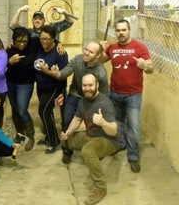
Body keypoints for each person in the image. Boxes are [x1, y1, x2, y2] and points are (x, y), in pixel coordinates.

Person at [60, 73, 125, 205]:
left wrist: (103, 123)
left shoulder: (104, 104)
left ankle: (100, 188)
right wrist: (68, 132)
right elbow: (77, 119)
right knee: (65, 139)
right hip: (91, 136)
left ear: (97, 85)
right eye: (85, 85)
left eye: (90, 85)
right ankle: (96, 154)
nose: (87, 88)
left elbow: (114, 130)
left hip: (109, 140)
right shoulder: (83, 101)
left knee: (88, 151)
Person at [100, 19, 154, 173]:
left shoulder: (140, 47)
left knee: (134, 127)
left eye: (123, 30)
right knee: (118, 123)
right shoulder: (113, 47)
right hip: (115, 93)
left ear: (129, 30)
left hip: (133, 95)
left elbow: (151, 68)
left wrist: (144, 66)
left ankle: (134, 156)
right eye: (118, 30)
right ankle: (120, 144)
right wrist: (100, 50)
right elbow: (100, 61)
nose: (120, 33)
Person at [51, 41, 110, 163]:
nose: (86, 53)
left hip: (92, 99)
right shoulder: (78, 60)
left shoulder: (101, 72)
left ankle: (96, 149)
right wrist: (57, 73)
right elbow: (64, 73)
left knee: (95, 125)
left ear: (98, 56)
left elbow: (105, 95)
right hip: (75, 94)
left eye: (90, 51)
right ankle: (67, 149)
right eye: (86, 49)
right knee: (67, 121)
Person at [35, 25, 68, 154]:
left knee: (43, 111)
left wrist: (46, 71)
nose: (44, 41)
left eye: (47, 39)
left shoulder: (60, 53)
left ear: (54, 39)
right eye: (42, 38)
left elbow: (62, 74)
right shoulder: (39, 46)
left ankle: (54, 142)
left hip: (55, 87)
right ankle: (49, 136)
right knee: (48, 113)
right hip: (41, 86)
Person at [6, 27, 40, 151]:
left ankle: (31, 136)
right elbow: (3, 66)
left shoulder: (34, 43)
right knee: (15, 110)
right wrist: (10, 62)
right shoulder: (10, 49)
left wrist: (59, 45)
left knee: (21, 109)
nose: (21, 44)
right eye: (18, 41)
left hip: (26, 83)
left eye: (24, 41)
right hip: (10, 82)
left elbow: (49, 38)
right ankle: (20, 134)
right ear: (13, 40)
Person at [9, 5, 74, 41]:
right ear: (32, 20)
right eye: (35, 19)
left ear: (44, 21)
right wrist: (19, 10)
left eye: (40, 19)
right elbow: (12, 25)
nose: (37, 20)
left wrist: (64, 12)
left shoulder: (53, 28)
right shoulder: (28, 32)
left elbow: (70, 21)